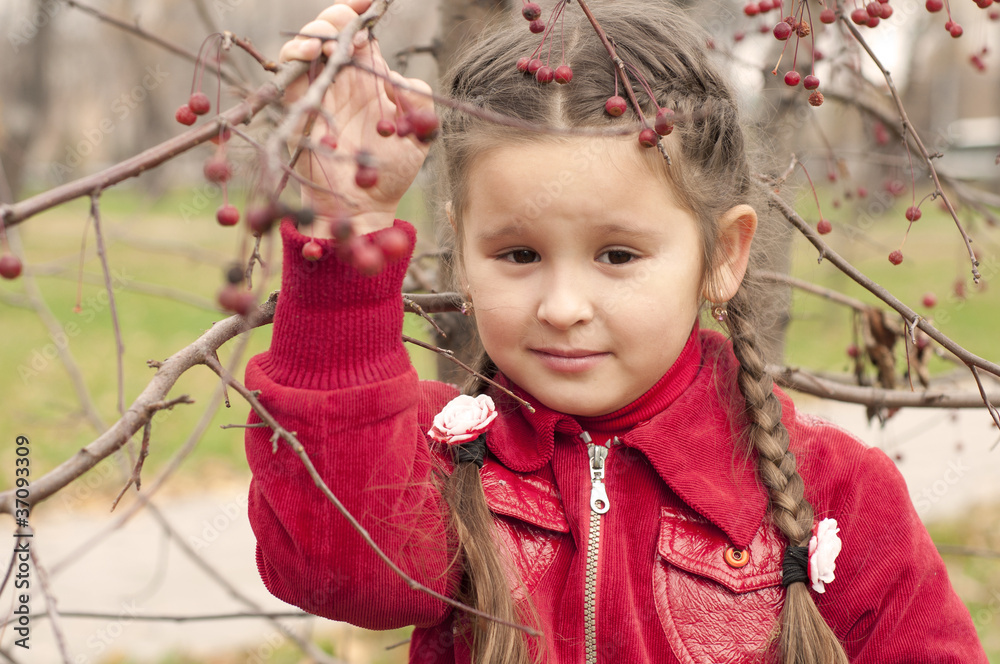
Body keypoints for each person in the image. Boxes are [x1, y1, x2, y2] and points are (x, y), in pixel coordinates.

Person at [243, 1, 987, 662]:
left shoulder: (838, 492)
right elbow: (340, 567)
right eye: (518, 254)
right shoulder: (441, 462)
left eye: (618, 255)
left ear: (722, 256)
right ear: (462, 251)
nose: (563, 306)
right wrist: (347, 227)